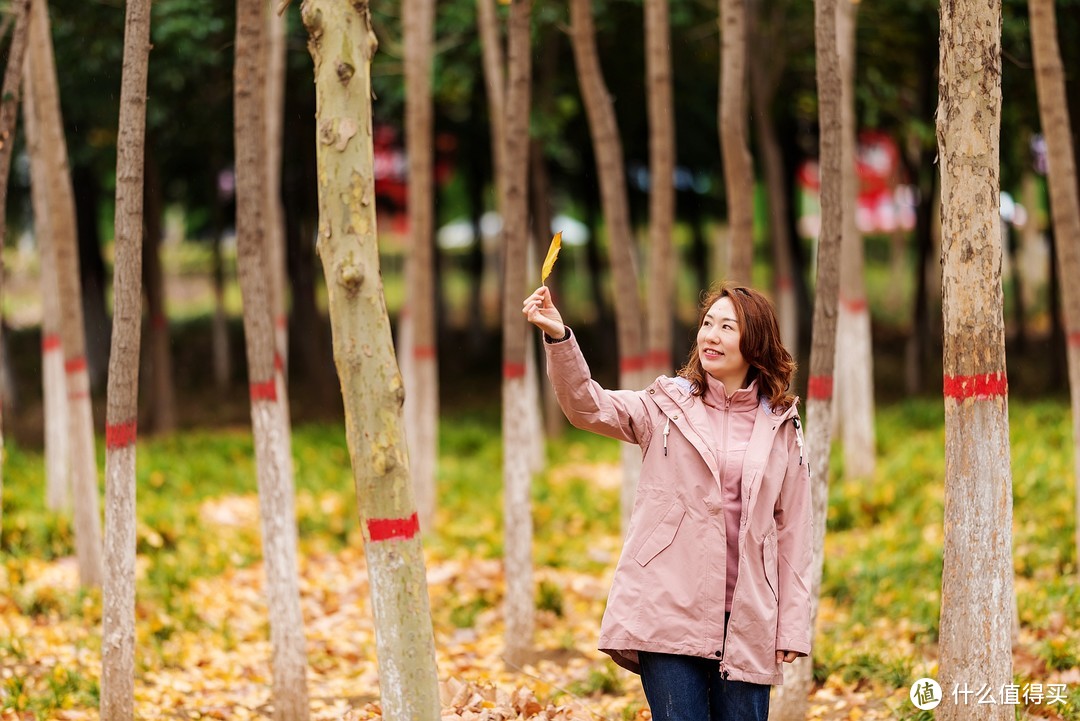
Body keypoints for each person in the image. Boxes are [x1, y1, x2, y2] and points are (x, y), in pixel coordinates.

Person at [521, 283, 813, 721]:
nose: (710, 335)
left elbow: (793, 529)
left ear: (755, 342)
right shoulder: (665, 406)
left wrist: (791, 624)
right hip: (668, 606)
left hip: (749, 615)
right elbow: (587, 405)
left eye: (726, 327)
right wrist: (559, 338)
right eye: (707, 324)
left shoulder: (781, 424)